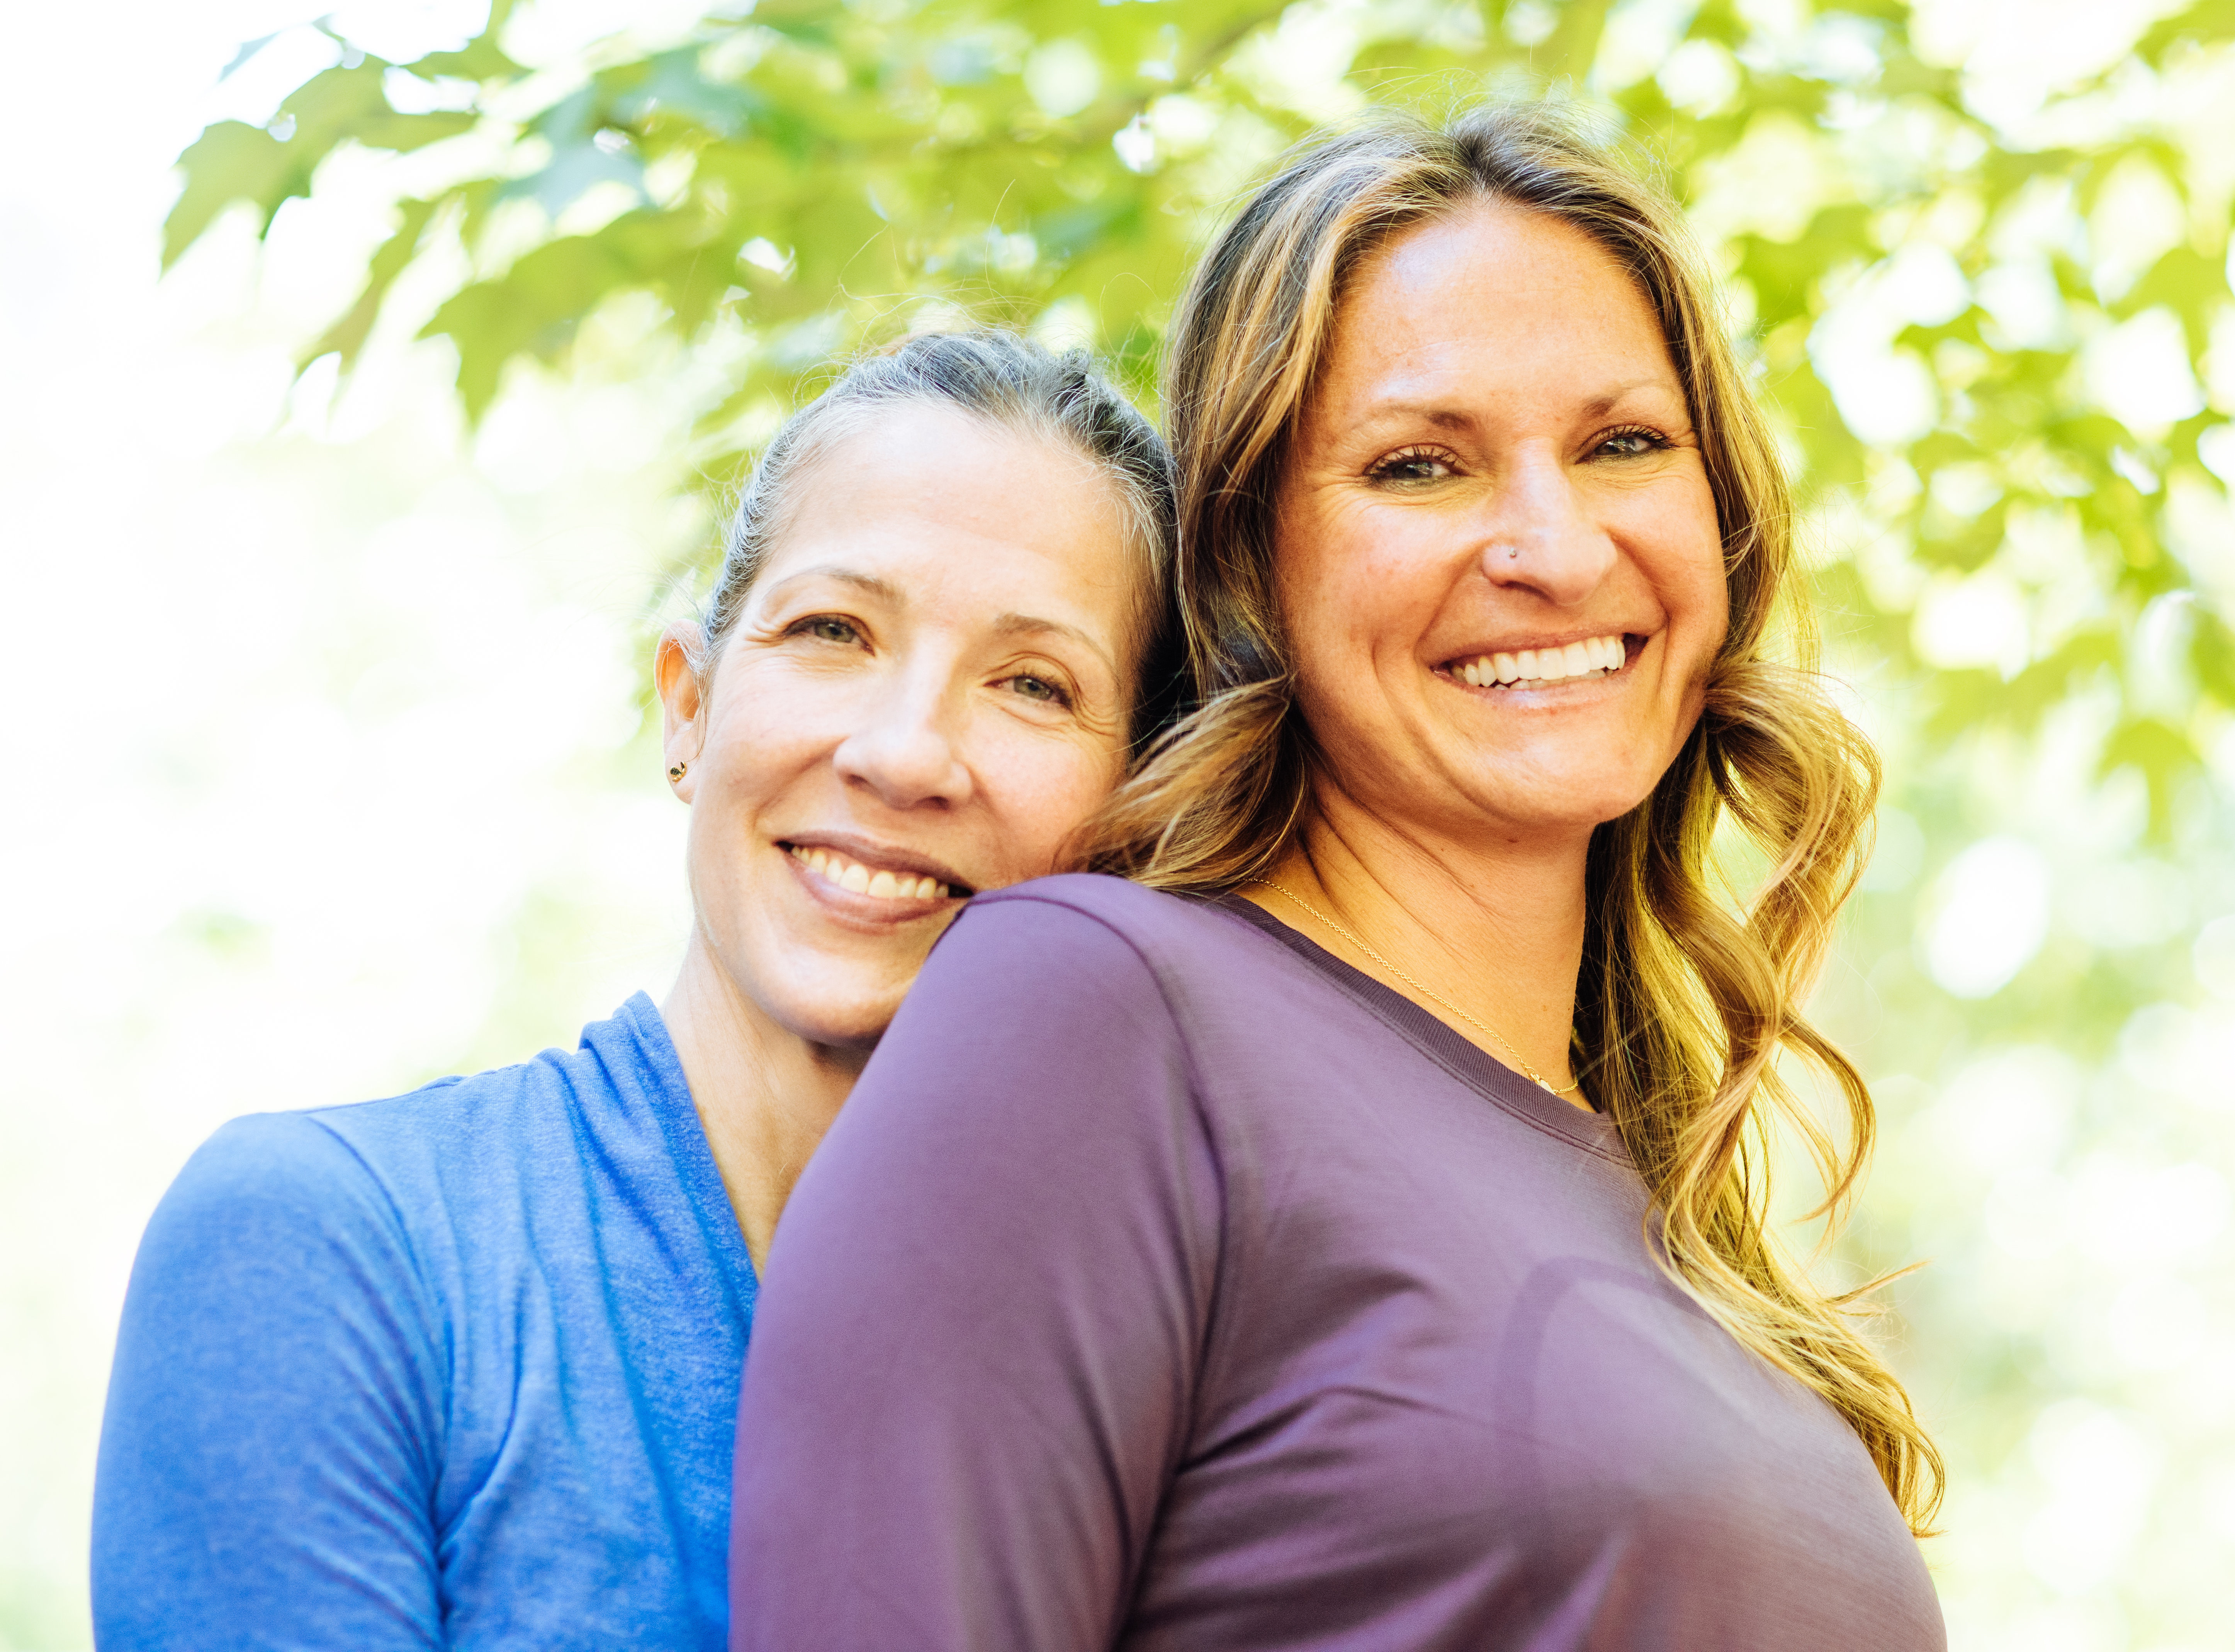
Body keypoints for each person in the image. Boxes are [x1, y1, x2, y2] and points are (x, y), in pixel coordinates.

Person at [727, 107, 1946, 1650]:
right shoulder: (1097, 1013)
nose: (1554, 546)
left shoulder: (1655, 1186)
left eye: (1622, 443)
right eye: (1421, 466)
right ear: (1252, 565)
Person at [91, 332, 1180, 1649]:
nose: (903, 753)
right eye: (832, 630)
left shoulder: (1160, 1389)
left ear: (1141, 804)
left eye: (1031, 683)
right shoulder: (335, 1249)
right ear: (688, 708)